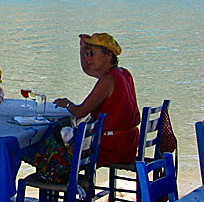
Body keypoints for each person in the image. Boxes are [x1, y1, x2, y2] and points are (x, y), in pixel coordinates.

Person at [53, 33, 140, 167]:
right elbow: (87, 69)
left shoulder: (107, 80)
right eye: (87, 55)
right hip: (128, 145)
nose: (88, 59)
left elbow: (80, 112)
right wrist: (82, 49)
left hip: (112, 149)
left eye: (92, 54)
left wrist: (67, 104)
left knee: (52, 145)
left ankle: (61, 182)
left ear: (108, 55)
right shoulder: (123, 73)